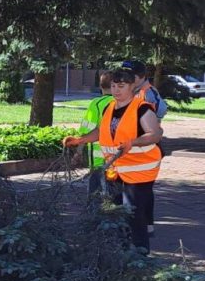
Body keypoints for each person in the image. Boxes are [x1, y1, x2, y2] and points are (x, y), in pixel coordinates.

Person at [63, 67, 163, 254]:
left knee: (133, 215)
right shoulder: (110, 107)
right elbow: (101, 132)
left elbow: (155, 134)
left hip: (139, 171)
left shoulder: (142, 109)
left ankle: (140, 256)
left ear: (132, 86)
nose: (116, 90)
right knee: (115, 214)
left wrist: (133, 142)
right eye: (114, 86)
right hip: (115, 170)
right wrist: (81, 140)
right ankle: (121, 253)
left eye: (121, 86)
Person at [123, 60, 166, 237]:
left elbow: (158, 115)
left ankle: (143, 227)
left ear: (141, 76)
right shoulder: (132, 91)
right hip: (132, 147)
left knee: (141, 189)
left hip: (145, 148)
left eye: (130, 74)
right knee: (132, 188)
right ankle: (137, 225)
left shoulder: (148, 93)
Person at [78, 72, 114, 193]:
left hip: (99, 160)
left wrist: (78, 151)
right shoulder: (123, 102)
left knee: (95, 193)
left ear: (100, 86)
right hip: (119, 159)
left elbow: (86, 130)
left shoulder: (96, 104)